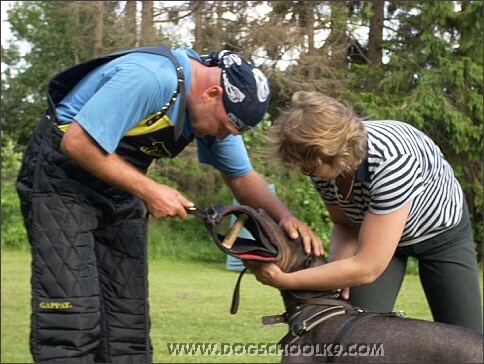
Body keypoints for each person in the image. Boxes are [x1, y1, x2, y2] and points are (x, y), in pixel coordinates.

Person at [16, 46, 323, 363]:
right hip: (60, 182)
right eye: (222, 128)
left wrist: (285, 217)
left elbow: (242, 177)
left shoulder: (219, 110)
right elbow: (77, 142)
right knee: (72, 318)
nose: (220, 138)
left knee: (127, 322)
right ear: (212, 93)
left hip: (119, 191)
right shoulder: (150, 79)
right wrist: (150, 190)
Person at [244, 90, 483, 334]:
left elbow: (368, 267)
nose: (304, 170)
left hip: (440, 233)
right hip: (373, 235)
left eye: (308, 165)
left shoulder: (393, 159)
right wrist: (337, 272)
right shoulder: (320, 167)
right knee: (351, 330)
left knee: (467, 340)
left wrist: (285, 281)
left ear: (335, 153)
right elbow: (345, 225)